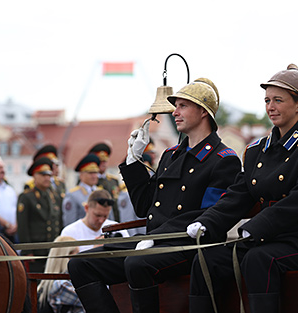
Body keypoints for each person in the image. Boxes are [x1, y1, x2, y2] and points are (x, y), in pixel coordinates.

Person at [68, 77, 242, 313]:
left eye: (182, 106)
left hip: (188, 246)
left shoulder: (223, 159)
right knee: (80, 264)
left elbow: (206, 215)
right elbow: (145, 205)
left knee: (137, 264)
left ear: (203, 111)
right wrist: (133, 161)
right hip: (153, 243)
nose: (175, 112)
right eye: (175, 106)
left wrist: (156, 237)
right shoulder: (171, 155)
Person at [187, 64, 298, 313]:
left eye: (278, 100)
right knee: (206, 260)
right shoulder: (257, 149)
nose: (270, 107)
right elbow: (239, 194)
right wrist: (208, 222)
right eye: (267, 100)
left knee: (259, 260)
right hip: (263, 238)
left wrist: (256, 227)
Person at [17, 157, 64, 272]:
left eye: (49, 175)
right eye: (43, 175)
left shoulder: (55, 197)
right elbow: (23, 226)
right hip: (36, 250)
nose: (47, 178)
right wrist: (27, 251)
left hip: (52, 249)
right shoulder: (27, 197)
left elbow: (59, 221)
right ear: (34, 176)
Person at [61, 189, 129, 253]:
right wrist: (94, 251)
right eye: (97, 215)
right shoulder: (69, 233)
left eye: (105, 216)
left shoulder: (117, 229)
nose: (101, 220)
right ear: (87, 208)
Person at [37, 236, 83, 313]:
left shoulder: (54, 282)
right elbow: (92, 301)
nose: (80, 258)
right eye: (77, 254)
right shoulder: (61, 284)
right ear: (68, 257)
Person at [62, 154, 101, 227]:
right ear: (81, 175)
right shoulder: (72, 195)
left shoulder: (102, 192)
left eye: (96, 173)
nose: (94, 176)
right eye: (90, 173)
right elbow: (70, 223)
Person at [89, 142, 120, 221]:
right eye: (101, 161)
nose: (103, 164)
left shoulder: (113, 180)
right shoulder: (90, 180)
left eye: (105, 161)